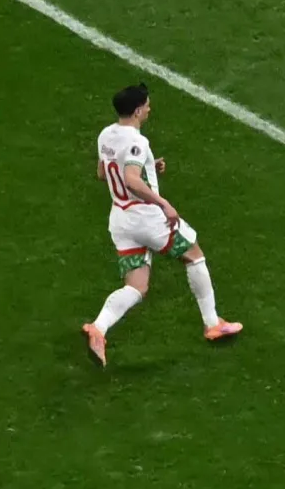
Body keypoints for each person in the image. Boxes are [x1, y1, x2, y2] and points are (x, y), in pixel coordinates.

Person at [82, 83, 242, 366]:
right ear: (137, 110)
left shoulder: (106, 134)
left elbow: (102, 173)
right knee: (194, 255)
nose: (149, 108)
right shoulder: (136, 141)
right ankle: (212, 323)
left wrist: (148, 166)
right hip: (146, 217)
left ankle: (99, 328)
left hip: (120, 219)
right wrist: (162, 202)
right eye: (147, 104)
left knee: (136, 286)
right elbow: (130, 179)